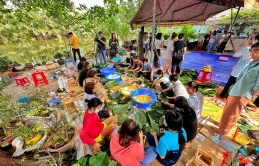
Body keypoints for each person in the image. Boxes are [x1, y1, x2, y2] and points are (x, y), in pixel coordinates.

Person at [214, 42, 259, 135]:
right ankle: (222, 125)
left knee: (232, 114)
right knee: (227, 111)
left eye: (255, 52)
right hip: (236, 90)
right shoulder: (253, 63)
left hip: (242, 94)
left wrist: (253, 95)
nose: (252, 54)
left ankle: (223, 132)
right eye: (251, 51)